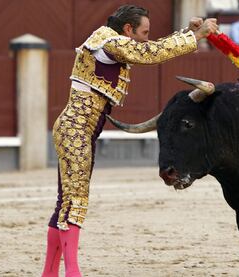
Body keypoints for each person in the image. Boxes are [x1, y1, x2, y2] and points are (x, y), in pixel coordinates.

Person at [40, 4, 218, 277]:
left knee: (66, 202)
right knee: (75, 202)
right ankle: (72, 273)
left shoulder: (105, 40)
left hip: (76, 129)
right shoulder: (111, 43)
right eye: (144, 32)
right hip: (75, 129)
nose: (147, 37)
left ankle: (50, 274)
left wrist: (187, 33)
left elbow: (151, 47)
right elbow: (151, 52)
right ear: (127, 29)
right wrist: (197, 37)